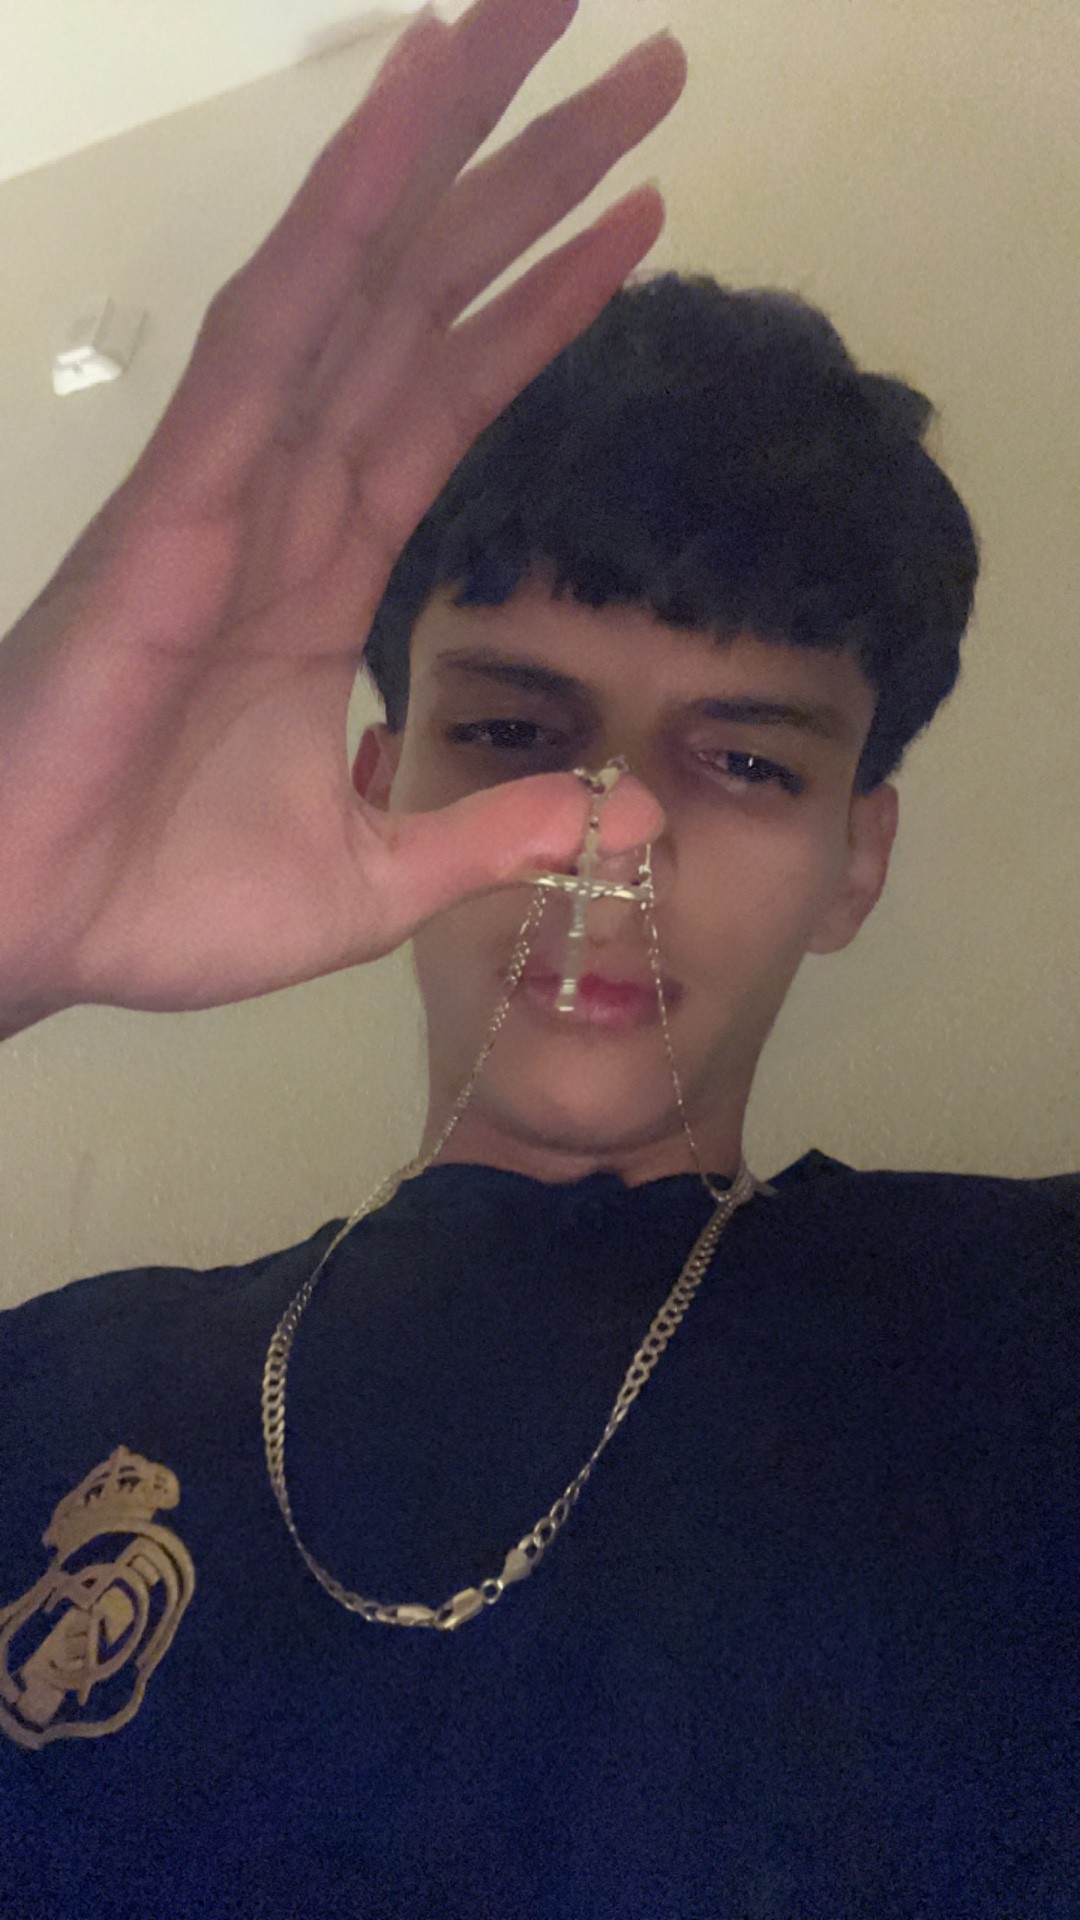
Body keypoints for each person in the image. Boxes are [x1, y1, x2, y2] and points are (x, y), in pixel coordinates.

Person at [0, 1, 1076, 1914]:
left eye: (747, 760)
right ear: (377, 782)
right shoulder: (55, 1386)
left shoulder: (1026, 1343)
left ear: (857, 859)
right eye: (513, 730)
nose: (614, 828)